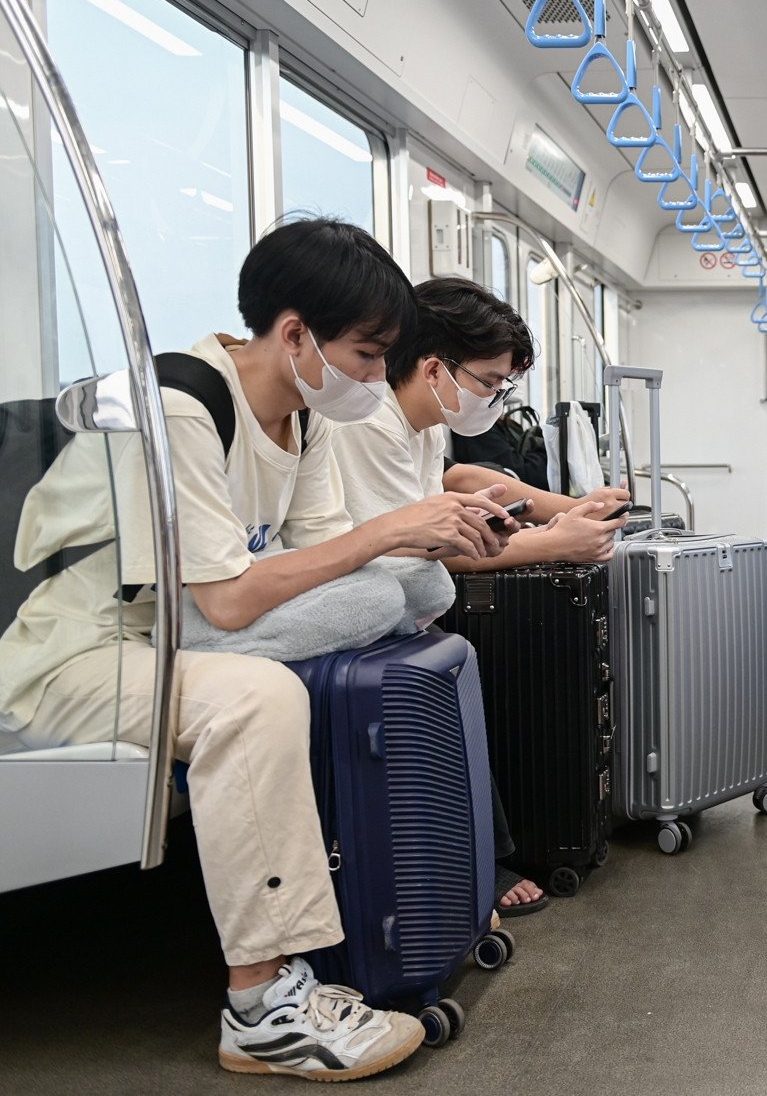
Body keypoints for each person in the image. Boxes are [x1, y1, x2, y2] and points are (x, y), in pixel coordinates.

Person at [0, 219, 517, 1079]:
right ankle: (262, 1005)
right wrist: (386, 530)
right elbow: (232, 596)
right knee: (256, 696)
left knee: (421, 588)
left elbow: (319, 562)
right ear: (293, 333)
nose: (368, 379)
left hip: (194, 625)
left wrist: (425, 542)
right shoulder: (180, 403)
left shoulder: (300, 419)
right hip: (91, 649)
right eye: (363, 354)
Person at [327, 276, 630, 918]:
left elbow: (454, 485)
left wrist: (570, 510)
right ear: (436, 367)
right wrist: (556, 543)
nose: (495, 398)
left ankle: (486, 854)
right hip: (366, 601)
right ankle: (479, 863)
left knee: (456, 660)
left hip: (410, 598)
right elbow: (411, 545)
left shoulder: (426, 420)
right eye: (490, 383)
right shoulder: (368, 423)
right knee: (451, 661)